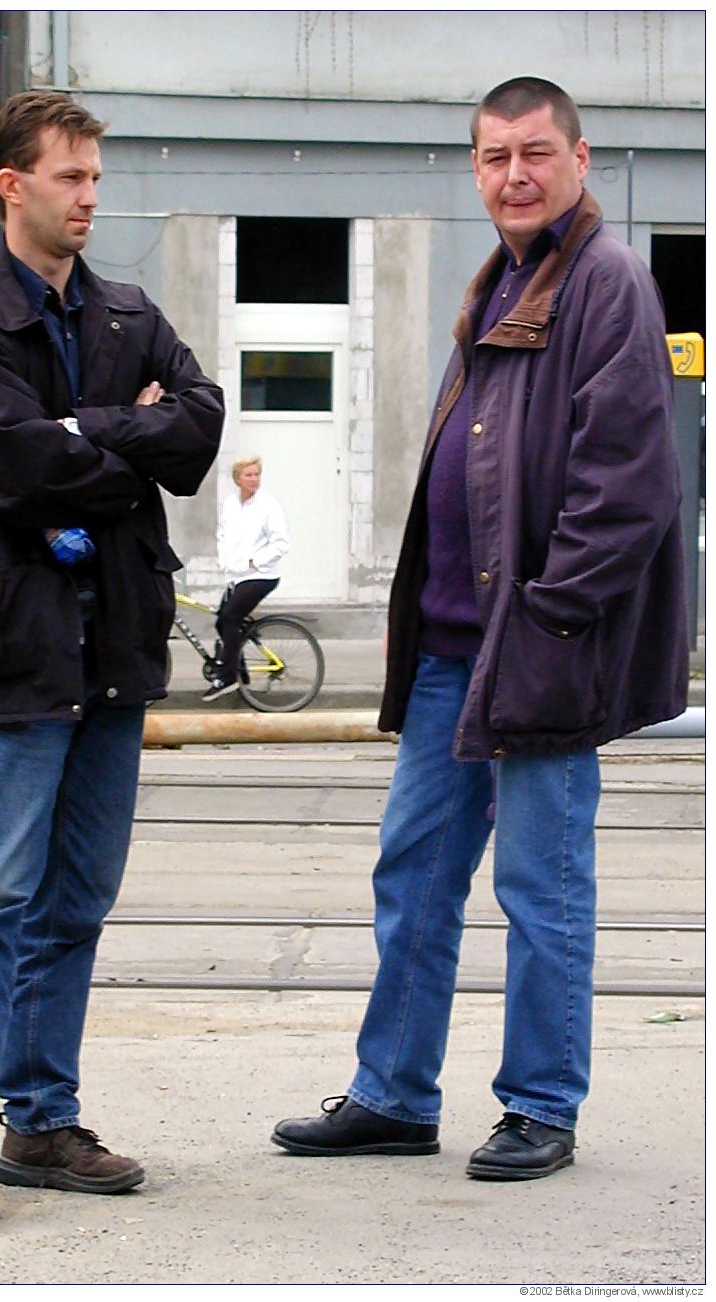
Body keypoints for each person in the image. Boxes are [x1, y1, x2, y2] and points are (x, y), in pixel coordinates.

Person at [273, 77, 687, 1179]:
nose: (516, 175)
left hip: (534, 649)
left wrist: (552, 620)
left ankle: (541, 1105)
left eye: (536, 153)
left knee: (540, 889)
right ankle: (393, 1095)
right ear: (475, 169)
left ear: (579, 159)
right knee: (412, 877)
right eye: (496, 156)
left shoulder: (605, 282)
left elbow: (630, 487)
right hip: (453, 650)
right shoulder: (503, 279)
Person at [0, 90, 224, 1228]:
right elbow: (12, 470)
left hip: (115, 652)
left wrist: (86, 430)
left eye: (96, 176)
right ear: (14, 185)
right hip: (12, 656)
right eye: (71, 177)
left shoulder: (129, 312)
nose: (92, 196)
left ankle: (41, 1120)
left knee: (77, 901)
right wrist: (118, 438)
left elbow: (197, 427)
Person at [202, 455, 289, 701]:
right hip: (236, 576)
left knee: (230, 617)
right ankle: (241, 673)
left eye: (256, 474)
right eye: (248, 475)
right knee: (222, 623)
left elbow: (282, 543)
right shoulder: (230, 504)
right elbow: (223, 535)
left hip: (262, 575)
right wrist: (225, 562)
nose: (254, 479)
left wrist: (255, 563)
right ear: (237, 479)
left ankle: (227, 677)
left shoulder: (268, 505)